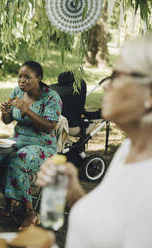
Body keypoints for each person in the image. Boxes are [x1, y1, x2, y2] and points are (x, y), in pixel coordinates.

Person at [37, 36, 152, 248]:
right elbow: (107, 226)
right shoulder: (129, 149)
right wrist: (72, 190)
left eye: (116, 76)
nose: (106, 85)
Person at [0, 61, 62, 230]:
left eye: (27, 77)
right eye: (20, 76)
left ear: (38, 78)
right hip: (18, 141)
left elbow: (49, 127)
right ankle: (9, 201)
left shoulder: (51, 97)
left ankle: (30, 212)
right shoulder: (17, 92)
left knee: (18, 160)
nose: (22, 80)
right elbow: (7, 120)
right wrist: (4, 111)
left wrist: (27, 110)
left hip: (42, 146)